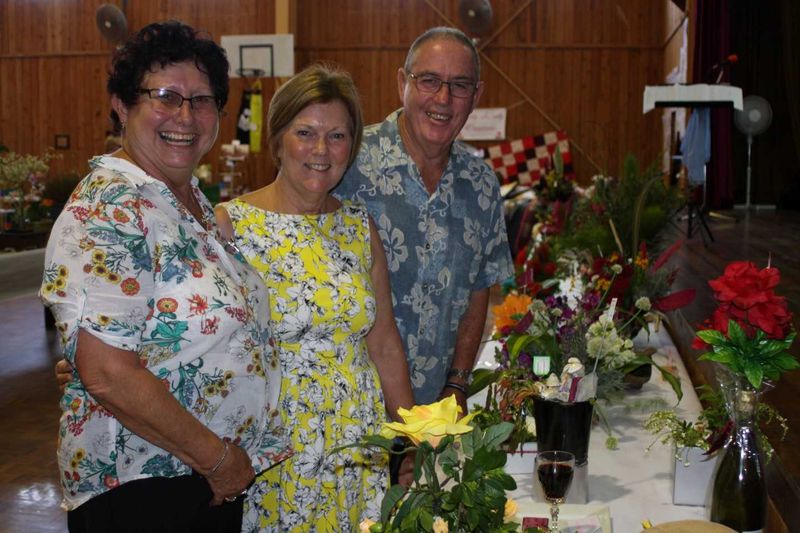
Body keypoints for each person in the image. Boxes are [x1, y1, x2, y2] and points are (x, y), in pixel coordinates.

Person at [40, 21, 289, 533]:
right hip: (142, 485)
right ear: (121, 104)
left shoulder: (184, 199)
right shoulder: (109, 208)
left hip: (196, 477)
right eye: (166, 96)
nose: (185, 115)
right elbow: (108, 373)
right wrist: (219, 461)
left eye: (202, 100)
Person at [214, 64, 415, 532]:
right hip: (277, 451)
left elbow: (383, 340)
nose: (321, 150)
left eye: (338, 136)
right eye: (305, 132)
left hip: (356, 445)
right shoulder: (231, 226)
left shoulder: (359, 227)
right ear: (278, 137)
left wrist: (413, 437)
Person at [334, 27, 515, 411]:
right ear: (403, 82)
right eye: (429, 80)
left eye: (459, 85)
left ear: (476, 96)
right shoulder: (347, 164)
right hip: (352, 417)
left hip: (436, 413)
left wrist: (458, 384)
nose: (443, 99)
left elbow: (479, 287)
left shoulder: (481, 185)